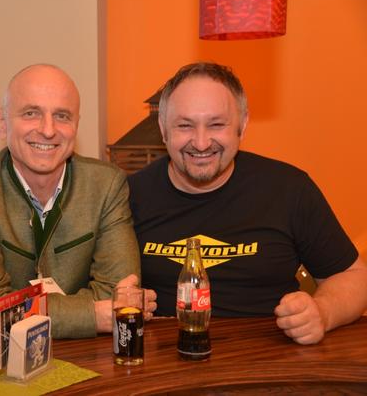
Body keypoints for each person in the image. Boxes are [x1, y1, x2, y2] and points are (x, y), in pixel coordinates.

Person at [128, 61, 367, 345]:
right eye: (185, 125)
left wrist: (322, 312)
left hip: (270, 359)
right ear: (163, 129)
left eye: (217, 124)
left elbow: (354, 277)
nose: (201, 143)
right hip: (165, 358)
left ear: (242, 125)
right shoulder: (129, 195)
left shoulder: (289, 189)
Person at [0, 64, 157, 339]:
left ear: (76, 125)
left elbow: (119, 293)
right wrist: (91, 315)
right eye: (31, 113)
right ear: (2, 122)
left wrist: (24, 310)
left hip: (91, 353)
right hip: (8, 359)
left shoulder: (106, 185)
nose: (48, 130)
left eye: (62, 116)